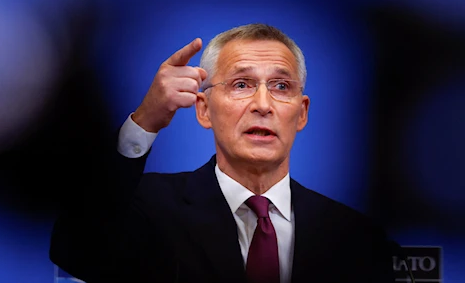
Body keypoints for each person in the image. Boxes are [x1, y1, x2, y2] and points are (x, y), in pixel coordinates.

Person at [50, 23, 395, 283]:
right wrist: (145, 122)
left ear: (301, 113)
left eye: (280, 87)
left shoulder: (356, 236)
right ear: (203, 109)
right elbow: (76, 248)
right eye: (241, 85)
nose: (263, 104)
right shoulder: (148, 209)